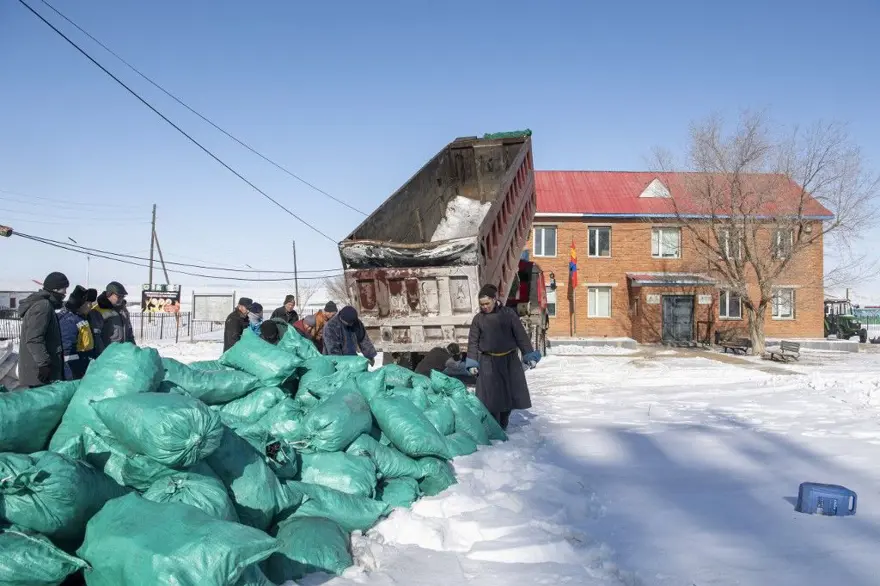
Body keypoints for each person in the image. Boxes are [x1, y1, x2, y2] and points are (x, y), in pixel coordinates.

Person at [466, 284, 541, 431]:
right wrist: (472, 363)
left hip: (508, 361)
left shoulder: (508, 314)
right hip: (488, 361)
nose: (485, 307)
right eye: (482, 304)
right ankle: (494, 425)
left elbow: (521, 336)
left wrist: (528, 355)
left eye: (487, 303)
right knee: (489, 396)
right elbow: (473, 342)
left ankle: (503, 422)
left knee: (508, 395)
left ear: (495, 300)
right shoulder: (478, 319)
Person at [17, 272, 68, 388]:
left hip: (41, 374)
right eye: (64, 289)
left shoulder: (46, 305)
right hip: (39, 375)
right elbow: (34, 339)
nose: (65, 293)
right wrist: (44, 364)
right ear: (55, 289)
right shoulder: (43, 306)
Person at [58, 285, 96, 380]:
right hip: (72, 368)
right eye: (88, 303)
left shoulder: (82, 318)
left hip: (83, 363)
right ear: (80, 303)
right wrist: (72, 371)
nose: (91, 306)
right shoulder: (69, 320)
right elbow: (67, 347)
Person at [90, 282, 136, 355]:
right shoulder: (98, 311)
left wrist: (134, 351)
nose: (121, 299)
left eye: (123, 297)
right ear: (109, 294)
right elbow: (96, 337)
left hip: (124, 354)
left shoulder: (124, 310)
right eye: (118, 296)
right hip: (109, 356)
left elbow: (129, 333)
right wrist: (103, 355)